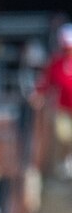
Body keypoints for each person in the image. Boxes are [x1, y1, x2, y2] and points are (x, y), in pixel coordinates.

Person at [33, 25, 72, 179]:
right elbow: (46, 82)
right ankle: (65, 161)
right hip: (63, 108)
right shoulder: (56, 64)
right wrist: (38, 95)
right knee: (63, 135)